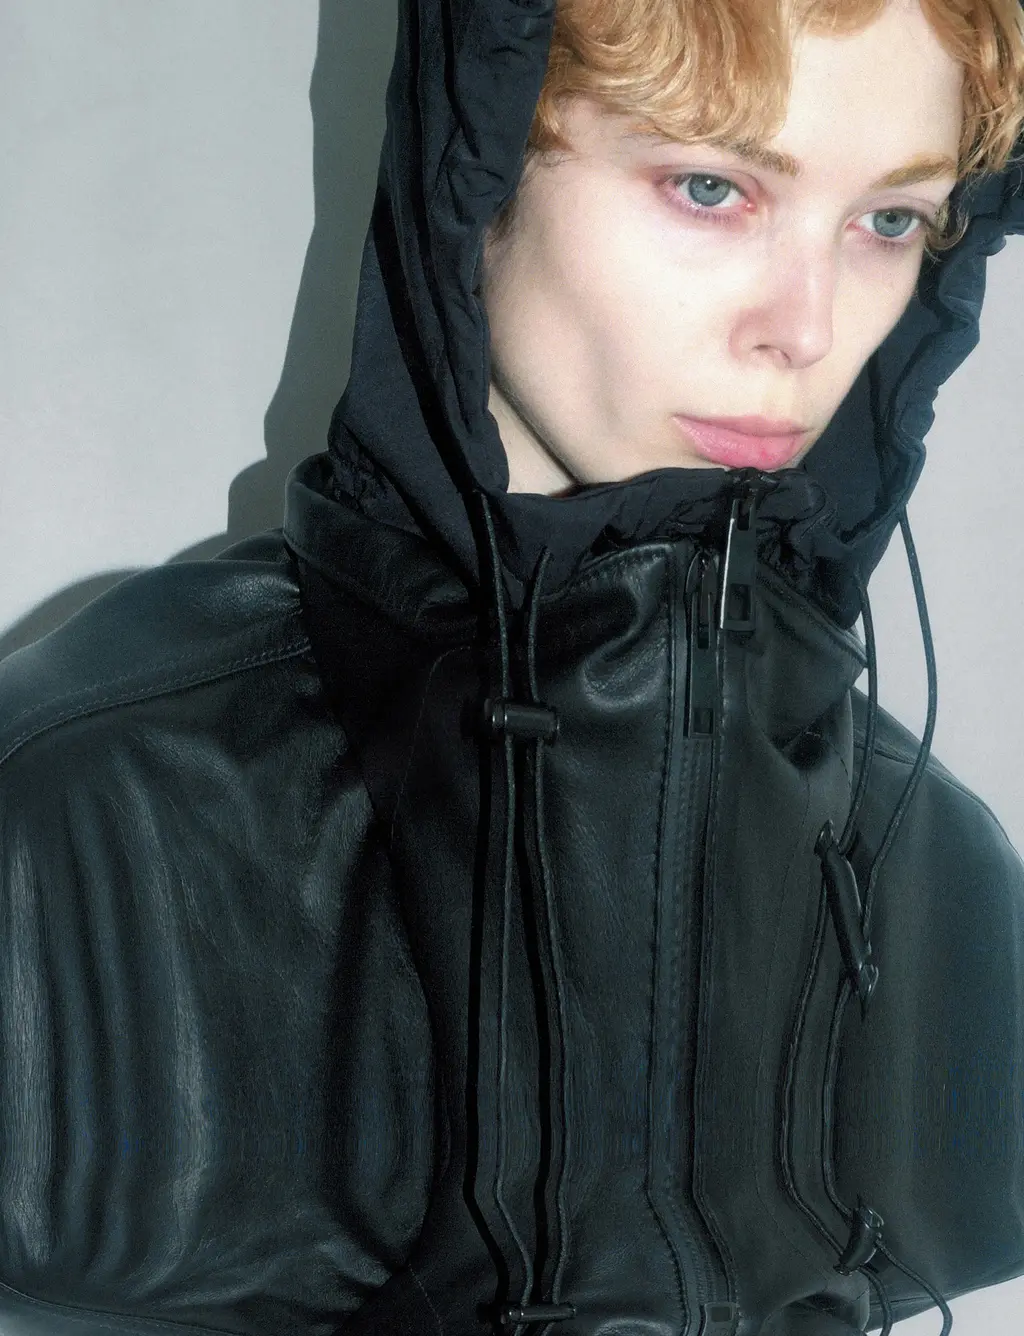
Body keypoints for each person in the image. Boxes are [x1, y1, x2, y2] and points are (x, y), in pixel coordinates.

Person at [2, 0, 1024, 1333]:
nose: (808, 328)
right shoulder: (71, 830)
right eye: (710, 188)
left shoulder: (943, 878)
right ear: (476, 167)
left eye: (890, 220)